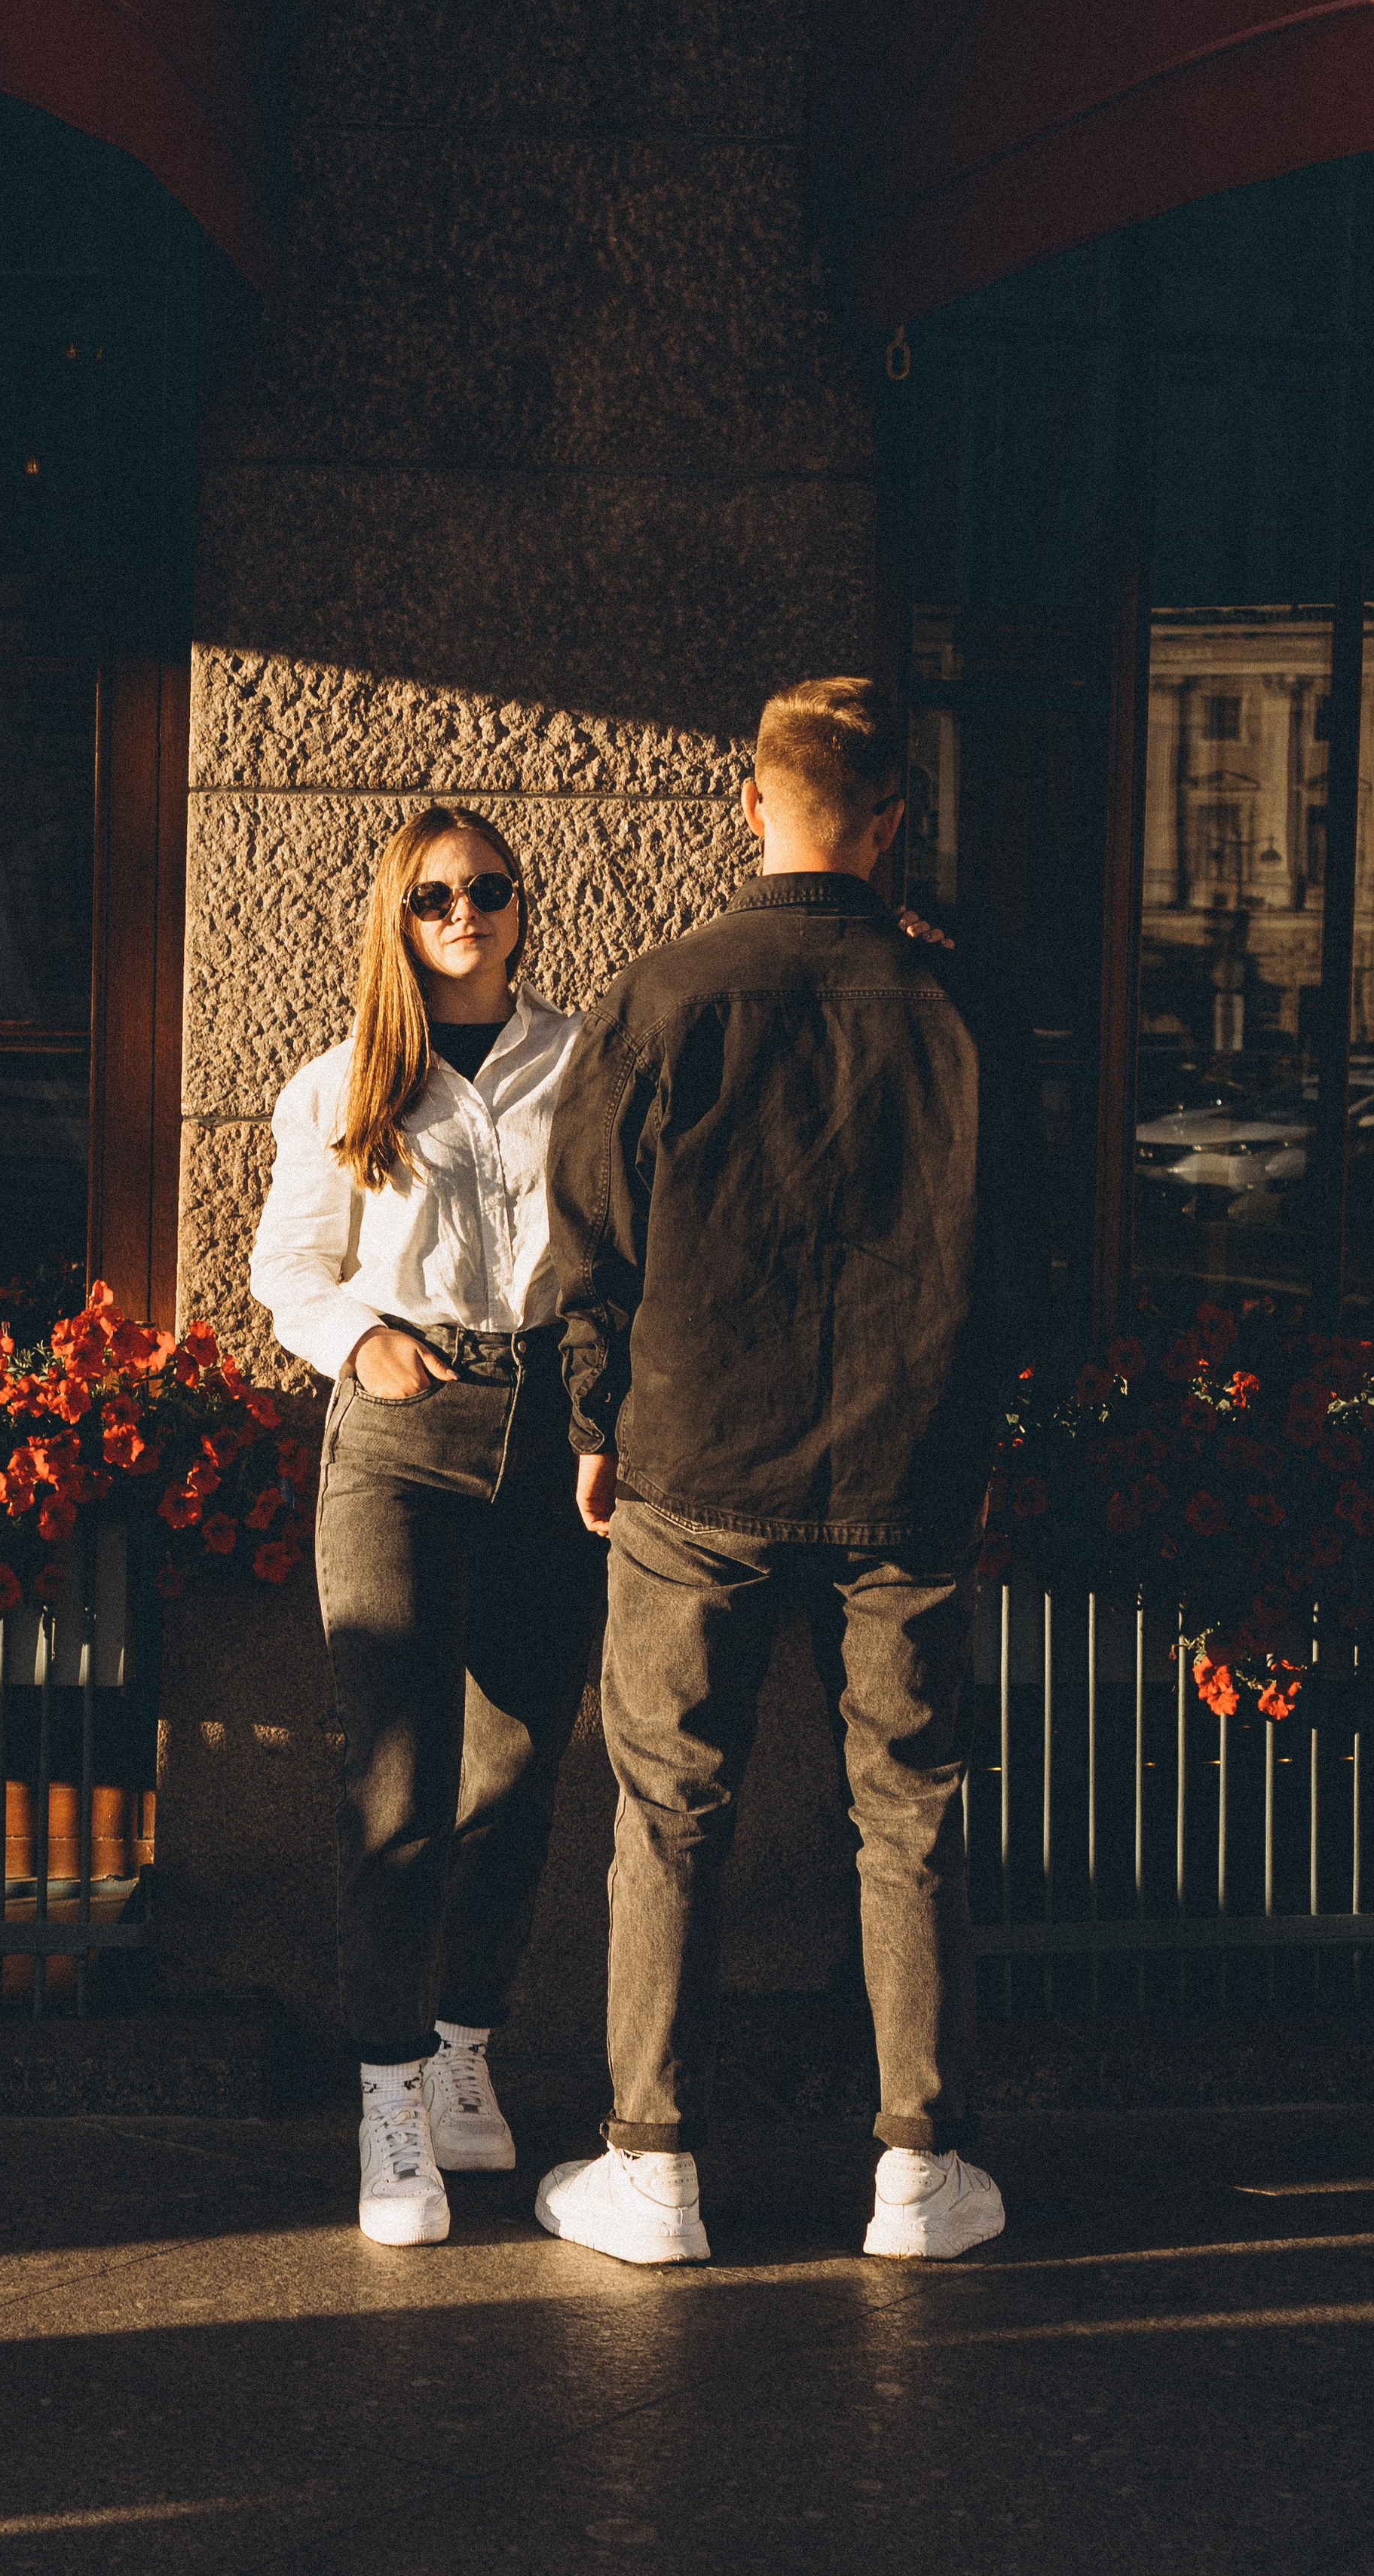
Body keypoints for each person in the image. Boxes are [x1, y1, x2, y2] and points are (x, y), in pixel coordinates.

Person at [537, 675, 1042, 2268]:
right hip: (905, 1477)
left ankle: (654, 2166)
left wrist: (594, 1425)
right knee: (905, 1815)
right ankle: (915, 2169)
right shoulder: (963, 1009)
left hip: (692, 1468)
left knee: (667, 1813)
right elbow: (1029, 1263)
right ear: (893, 818)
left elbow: (586, 1249)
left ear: (750, 807)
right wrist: (978, 1450)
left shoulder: (666, 993)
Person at [249, 806, 601, 2246]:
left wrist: (609, 1418)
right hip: (403, 1434)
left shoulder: (582, 1065)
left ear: (522, 911)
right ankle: (388, 2099)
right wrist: (359, 1341)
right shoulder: (341, 1083)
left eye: (490, 891)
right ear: (398, 917)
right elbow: (287, 1266)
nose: (465, 912)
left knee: (518, 1766)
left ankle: (463, 2043)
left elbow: (618, 1255)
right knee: (396, 1775)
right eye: (436, 895)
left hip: (553, 1440)